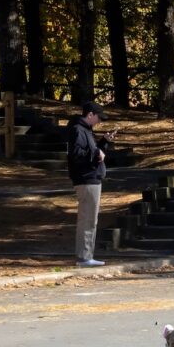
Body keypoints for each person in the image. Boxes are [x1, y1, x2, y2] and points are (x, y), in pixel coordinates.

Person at [66, 101, 116, 267]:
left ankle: (87, 256)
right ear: (90, 115)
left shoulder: (85, 130)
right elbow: (77, 154)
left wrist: (103, 142)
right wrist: (96, 153)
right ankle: (84, 257)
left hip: (91, 178)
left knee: (90, 219)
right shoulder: (78, 130)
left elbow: (91, 152)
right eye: (98, 118)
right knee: (88, 219)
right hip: (86, 179)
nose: (99, 121)